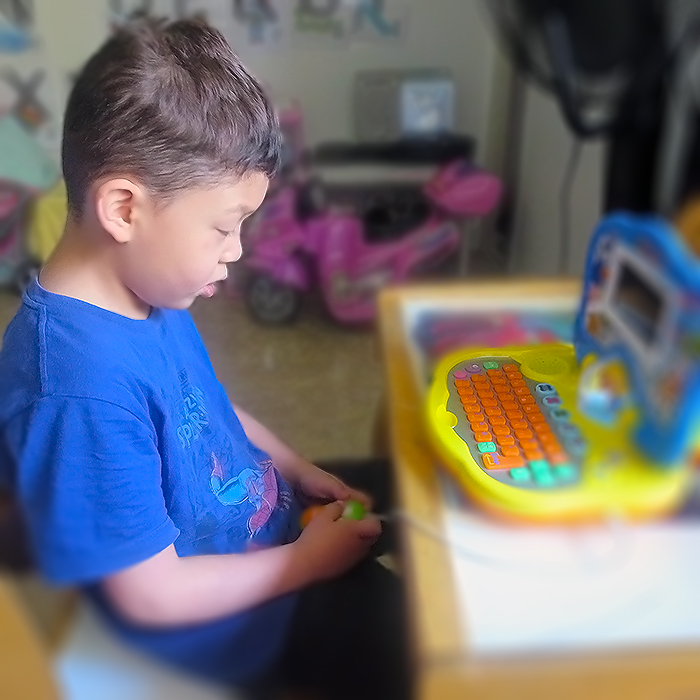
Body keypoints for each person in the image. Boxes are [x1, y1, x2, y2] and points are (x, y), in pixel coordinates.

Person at [0, 18, 410, 700]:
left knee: (424, 482)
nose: (237, 250)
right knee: (430, 650)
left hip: (270, 516)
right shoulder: (75, 391)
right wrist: (307, 564)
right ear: (124, 209)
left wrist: (298, 468)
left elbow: (209, 412)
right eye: (224, 226)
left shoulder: (145, 291)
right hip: (239, 625)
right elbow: (151, 594)